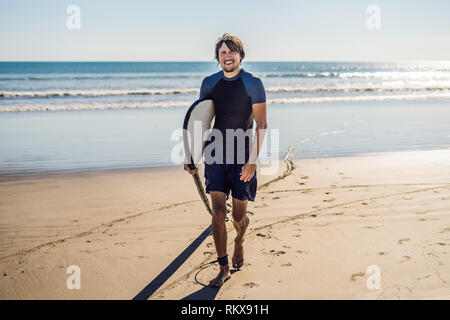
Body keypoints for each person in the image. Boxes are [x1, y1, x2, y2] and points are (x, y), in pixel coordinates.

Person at [184, 33, 267, 288]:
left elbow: (261, 124)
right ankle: (223, 268)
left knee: (238, 217)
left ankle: (240, 240)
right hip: (216, 154)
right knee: (218, 213)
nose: (227, 56)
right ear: (217, 57)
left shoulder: (253, 83)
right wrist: (192, 155)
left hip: (243, 156)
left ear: (240, 54)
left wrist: (252, 161)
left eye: (231, 51)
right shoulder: (209, 83)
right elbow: (201, 120)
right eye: (222, 52)